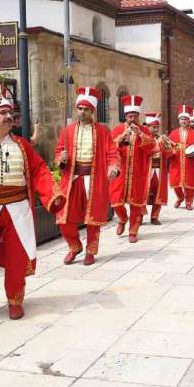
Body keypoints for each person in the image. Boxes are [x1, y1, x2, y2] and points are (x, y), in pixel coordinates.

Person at [0, 84, 65, 323]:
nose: (9, 117)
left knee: (17, 256)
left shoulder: (22, 146)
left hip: (17, 209)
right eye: (2, 113)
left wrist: (52, 195)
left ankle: (15, 299)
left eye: (10, 113)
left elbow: (39, 171)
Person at [54, 87, 119, 267]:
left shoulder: (103, 131)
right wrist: (61, 158)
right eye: (80, 109)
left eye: (86, 109)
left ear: (93, 111)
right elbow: (59, 151)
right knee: (63, 217)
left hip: (94, 177)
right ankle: (74, 246)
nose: (82, 112)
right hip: (72, 179)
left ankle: (91, 251)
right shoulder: (67, 130)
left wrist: (113, 165)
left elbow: (112, 152)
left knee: (93, 218)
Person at [110, 95, 156, 243]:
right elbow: (110, 148)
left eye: (135, 115)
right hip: (120, 172)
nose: (132, 118)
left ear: (138, 116)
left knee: (136, 203)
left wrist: (139, 134)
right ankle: (122, 218)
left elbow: (152, 147)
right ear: (125, 116)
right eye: (130, 116)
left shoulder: (144, 130)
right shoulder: (117, 130)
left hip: (138, 172)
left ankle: (133, 231)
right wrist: (121, 139)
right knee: (115, 200)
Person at [144, 113, 177, 225]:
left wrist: (167, 145)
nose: (156, 129)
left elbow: (169, 154)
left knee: (159, 193)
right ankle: (138, 217)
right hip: (146, 171)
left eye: (157, 127)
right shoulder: (144, 139)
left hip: (159, 170)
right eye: (153, 127)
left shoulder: (161, 139)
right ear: (148, 127)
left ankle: (154, 216)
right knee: (144, 193)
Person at [169, 105, 194, 210]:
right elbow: (169, 146)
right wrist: (173, 149)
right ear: (179, 120)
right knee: (175, 183)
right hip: (176, 162)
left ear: (189, 120)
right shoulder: (173, 133)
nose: (183, 121)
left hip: (189, 161)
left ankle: (189, 202)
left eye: (185, 119)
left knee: (189, 184)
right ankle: (180, 197)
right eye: (182, 119)